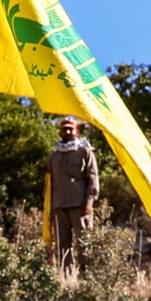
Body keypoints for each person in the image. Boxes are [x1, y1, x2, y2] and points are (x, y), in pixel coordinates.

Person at [47, 117, 100, 275]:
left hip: (80, 205)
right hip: (58, 206)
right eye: (64, 129)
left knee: (84, 242)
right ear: (60, 132)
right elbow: (49, 182)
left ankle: (88, 278)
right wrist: (49, 209)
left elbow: (93, 178)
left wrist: (89, 202)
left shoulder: (85, 151)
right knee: (62, 245)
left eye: (71, 128)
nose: (67, 131)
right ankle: (67, 278)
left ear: (76, 131)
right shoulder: (54, 155)